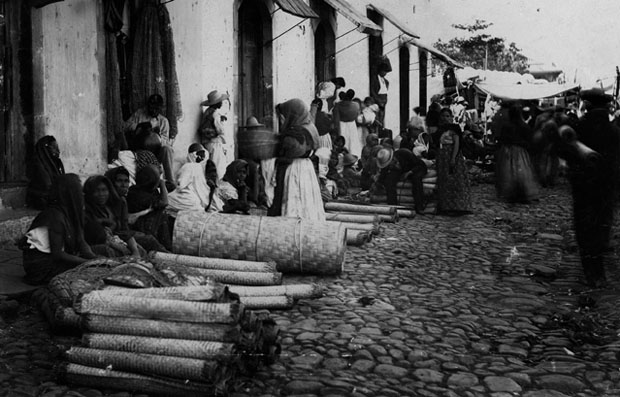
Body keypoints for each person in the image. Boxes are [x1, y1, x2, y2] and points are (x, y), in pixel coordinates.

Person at [562, 88, 620, 287]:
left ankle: (590, 273)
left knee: (585, 229)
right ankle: (600, 273)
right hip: (607, 186)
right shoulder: (614, 128)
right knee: (602, 228)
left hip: (584, 186)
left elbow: (567, 152)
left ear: (587, 104)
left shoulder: (580, 126)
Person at [19, 174, 98, 285]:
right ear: (69, 194)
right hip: (43, 268)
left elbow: (81, 241)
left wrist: (94, 258)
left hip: (57, 261)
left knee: (102, 254)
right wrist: (87, 263)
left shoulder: (70, 212)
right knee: (89, 273)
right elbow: (58, 255)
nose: (82, 194)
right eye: (79, 191)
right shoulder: (54, 216)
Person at [268, 98, 324, 221]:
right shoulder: (310, 127)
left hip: (295, 168)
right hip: (307, 168)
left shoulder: (295, 133)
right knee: (307, 200)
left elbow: (291, 154)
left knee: (294, 197)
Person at [105, 166, 169, 253]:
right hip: (112, 236)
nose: (123, 185)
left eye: (126, 181)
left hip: (124, 232)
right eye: (119, 181)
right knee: (149, 240)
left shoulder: (122, 200)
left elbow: (124, 227)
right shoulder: (107, 200)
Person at [83, 175, 142, 258]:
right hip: (98, 246)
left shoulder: (111, 208)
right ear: (90, 193)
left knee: (139, 250)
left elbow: (124, 232)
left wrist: (135, 251)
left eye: (104, 190)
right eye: (96, 191)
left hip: (117, 240)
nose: (101, 194)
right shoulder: (87, 211)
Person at [124, 94, 175, 188]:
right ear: (148, 106)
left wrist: (156, 135)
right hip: (140, 150)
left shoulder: (163, 121)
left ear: (161, 108)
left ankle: (171, 182)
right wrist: (141, 126)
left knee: (167, 149)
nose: (154, 110)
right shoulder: (139, 114)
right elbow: (126, 126)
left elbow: (165, 140)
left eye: (157, 108)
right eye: (152, 108)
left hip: (156, 153)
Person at [495, 102, 539, 203]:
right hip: (520, 152)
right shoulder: (524, 125)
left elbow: (502, 138)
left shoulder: (507, 125)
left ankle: (511, 193)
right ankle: (522, 192)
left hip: (508, 151)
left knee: (509, 172)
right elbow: (529, 139)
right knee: (521, 171)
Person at [166, 143, 223, 217]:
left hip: (191, 198)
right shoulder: (201, 166)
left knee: (168, 199)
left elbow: (180, 185)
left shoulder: (189, 166)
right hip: (203, 199)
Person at [435, 108, 473, 215]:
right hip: (443, 157)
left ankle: (458, 206)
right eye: (443, 116)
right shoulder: (440, 129)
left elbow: (457, 143)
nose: (445, 118)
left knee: (455, 180)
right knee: (445, 180)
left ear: (451, 117)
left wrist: (453, 158)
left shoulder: (454, 128)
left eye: (447, 116)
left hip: (452, 154)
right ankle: (446, 206)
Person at [126, 164, 172, 251]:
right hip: (137, 225)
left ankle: (167, 246)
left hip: (144, 222)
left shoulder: (147, 190)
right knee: (162, 213)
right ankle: (166, 248)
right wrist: (162, 184)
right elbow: (165, 202)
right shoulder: (137, 193)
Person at [375, 147, 427, 214]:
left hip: (416, 168)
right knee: (389, 182)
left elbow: (419, 165)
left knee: (416, 179)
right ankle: (393, 206)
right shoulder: (388, 164)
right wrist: (379, 182)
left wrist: (409, 172)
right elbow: (383, 174)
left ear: (392, 158)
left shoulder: (405, 153)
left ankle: (419, 206)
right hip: (402, 170)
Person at [26, 136, 65, 210]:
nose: (57, 151)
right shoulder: (39, 164)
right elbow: (47, 185)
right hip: (43, 199)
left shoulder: (53, 163)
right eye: (53, 147)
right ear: (46, 149)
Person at [198, 90, 230, 180]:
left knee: (212, 166)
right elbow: (220, 129)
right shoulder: (215, 114)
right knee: (218, 167)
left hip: (208, 143)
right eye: (220, 101)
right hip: (214, 143)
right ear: (216, 103)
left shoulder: (208, 112)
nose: (221, 103)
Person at [333, 89, 362, 157]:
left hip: (342, 125)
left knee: (344, 141)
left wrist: (336, 129)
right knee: (353, 142)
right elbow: (357, 116)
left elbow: (336, 119)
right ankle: (353, 157)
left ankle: (343, 156)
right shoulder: (356, 105)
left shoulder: (338, 105)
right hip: (352, 125)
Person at [370, 57, 392, 126]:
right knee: (376, 118)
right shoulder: (375, 79)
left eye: (386, 72)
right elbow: (373, 91)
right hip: (377, 101)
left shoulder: (386, 81)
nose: (385, 73)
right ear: (380, 71)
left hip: (383, 102)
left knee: (382, 119)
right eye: (384, 71)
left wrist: (384, 101)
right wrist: (378, 101)